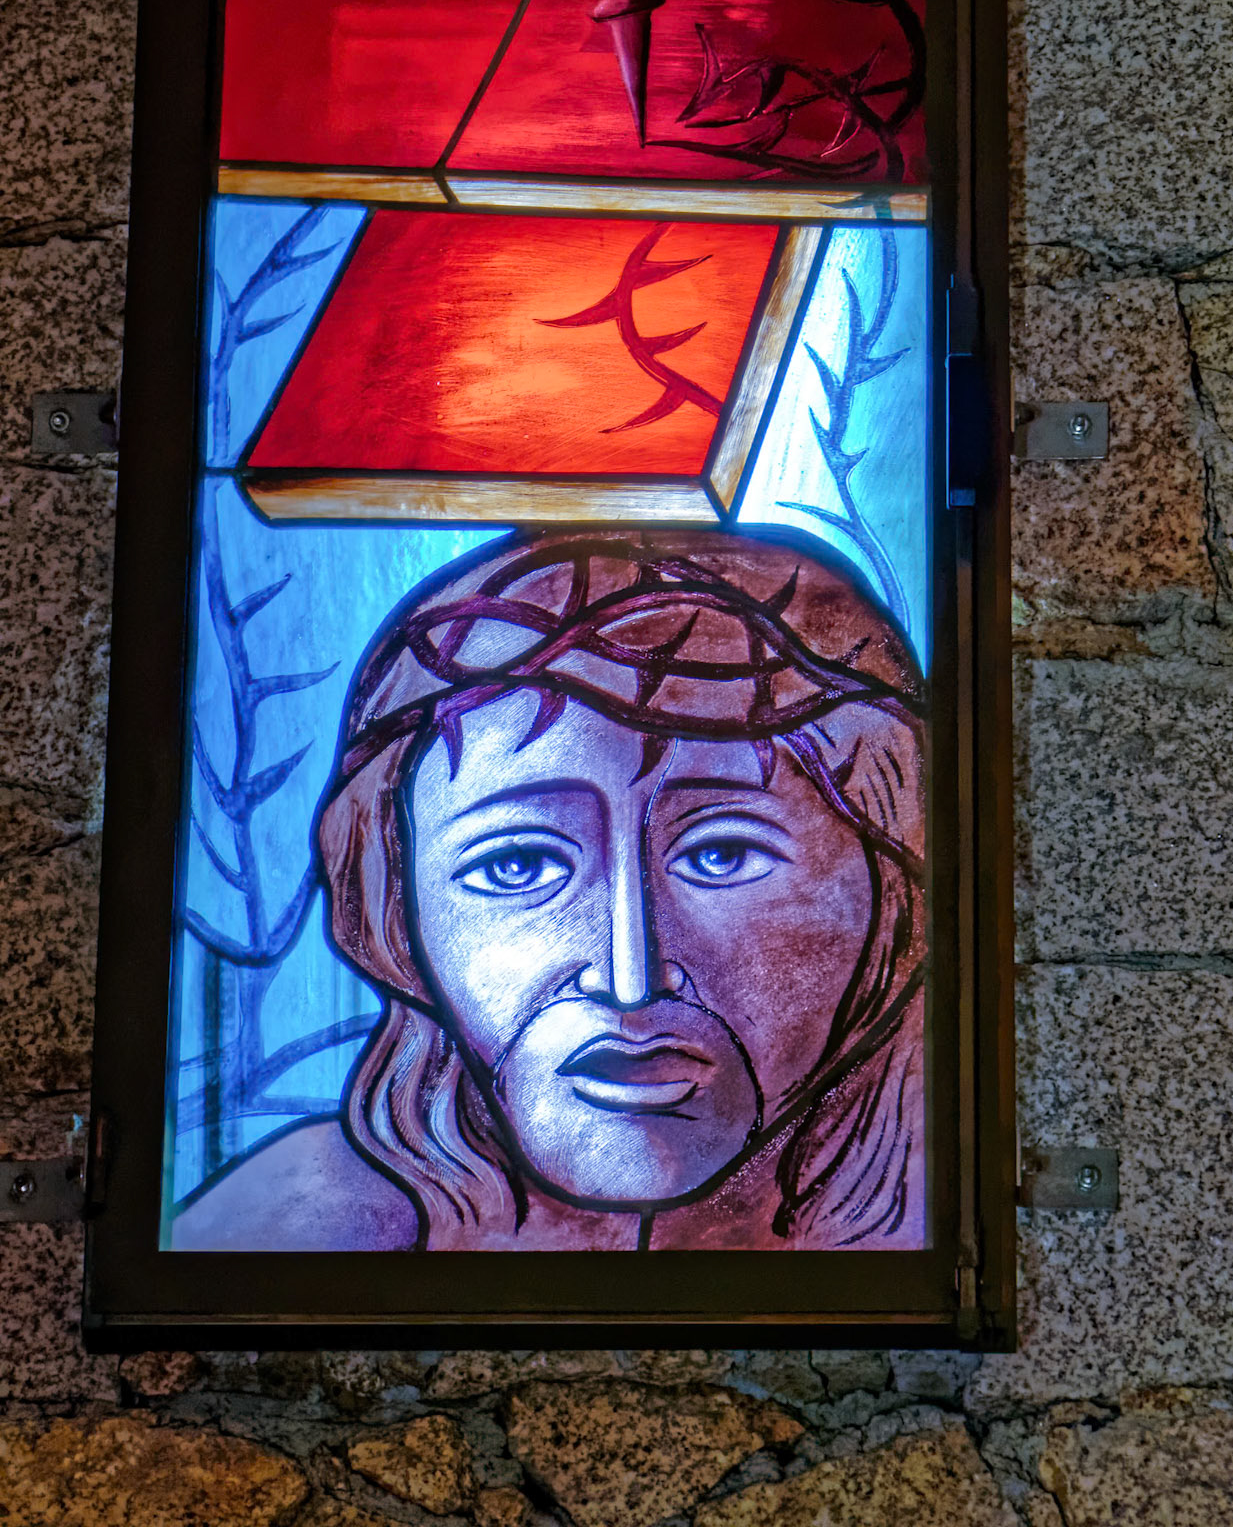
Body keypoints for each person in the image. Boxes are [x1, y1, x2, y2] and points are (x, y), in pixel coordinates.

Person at [173, 530, 927, 1251]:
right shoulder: (291, 1231)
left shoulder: (940, 1223)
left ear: (891, 899)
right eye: (516, 866)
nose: (629, 978)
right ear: (391, 910)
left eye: (724, 854)